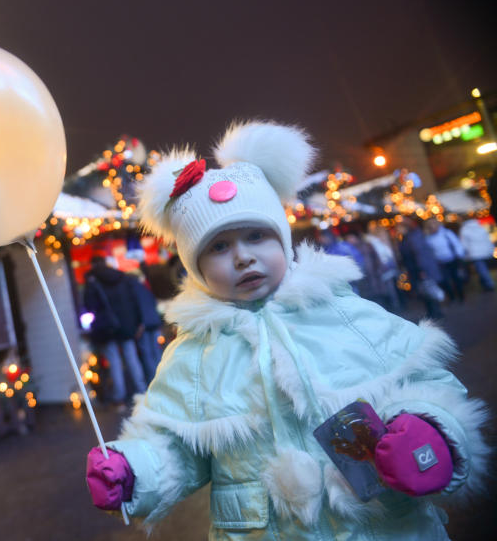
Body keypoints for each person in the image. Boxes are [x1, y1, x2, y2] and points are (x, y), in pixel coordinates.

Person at [85, 121, 489, 540]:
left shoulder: (344, 314)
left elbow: (428, 383)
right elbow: (175, 447)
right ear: (196, 267)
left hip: (384, 526)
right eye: (218, 247)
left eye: (256, 235)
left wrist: (431, 432)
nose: (242, 257)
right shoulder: (193, 354)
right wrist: (135, 470)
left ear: (282, 238)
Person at [82, 255, 146, 406]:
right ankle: (142, 392)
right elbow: (133, 299)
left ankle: (119, 397)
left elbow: (89, 305)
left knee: (114, 362)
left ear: (92, 265)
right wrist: (138, 321)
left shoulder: (92, 281)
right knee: (132, 358)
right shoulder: (120, 276)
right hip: (126, 325)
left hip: (107, 327)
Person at [396, 217, 445, 320]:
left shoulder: (413, 237)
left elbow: (419, 255)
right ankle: (432, 312)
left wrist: (422, 270)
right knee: (424, 291)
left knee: (429, 289)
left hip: (420, 269)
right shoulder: (407, 238)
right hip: (415, 269)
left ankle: (436, 312)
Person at [128, 275, 163, 383]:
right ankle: (163, 377)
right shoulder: (145, 288)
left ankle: (154, 380)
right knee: (156, 351)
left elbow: (137, 308)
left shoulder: (132, 291)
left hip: (143, 325)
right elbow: (153, 303)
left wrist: (140, 324)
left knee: (147, 354)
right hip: (154, 322)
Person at [423, 218, 467, 303]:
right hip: (440, 263)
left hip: (452, 260)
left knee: (456, 279)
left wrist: (460, 256)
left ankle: (461, 297)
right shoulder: (428, 238)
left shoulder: (446, 233)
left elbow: (456, 244)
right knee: (445, 281)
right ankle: (452, 298)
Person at [364, 222, 402, 313]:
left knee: (391, 288)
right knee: (389, 289)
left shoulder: (379, 241)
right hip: (383, 269)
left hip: (387, 267)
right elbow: (381, 256)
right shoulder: (373, 242)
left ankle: (396, 306)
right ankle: (395, 307)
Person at [458, 218, 495, 292]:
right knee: (483, 268)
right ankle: (484, 282)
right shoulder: (481, 228)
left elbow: (464, 244)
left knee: (481, 269)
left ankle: (489, 284)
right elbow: (488, 239)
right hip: (486, 252)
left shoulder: (464, 230)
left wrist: (465, 254)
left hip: (475, 253)